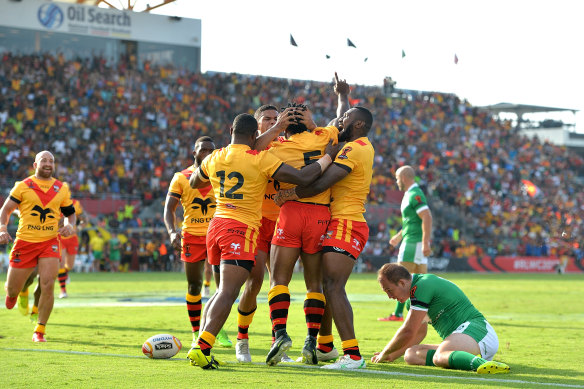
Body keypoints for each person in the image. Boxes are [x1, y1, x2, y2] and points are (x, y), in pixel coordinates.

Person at [187, 112, 334, 369]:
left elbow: (194, 180)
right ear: (255, 133)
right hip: (241, 228)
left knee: (224, 290)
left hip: (216, 224)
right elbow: (302, 177)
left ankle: (201, 343)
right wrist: (328, 157)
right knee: (229, 291)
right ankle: (203, 346)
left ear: (231, 129)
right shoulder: (261, 158)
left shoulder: (215, 156)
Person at [275, 104, 375, 370]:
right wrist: (341, 96)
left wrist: (290, 194)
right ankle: (326, 346)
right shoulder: (357, 145)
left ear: (358, 125)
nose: (340, 120)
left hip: (347, 222)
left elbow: (321, 183)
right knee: (327, 285)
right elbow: (329, 129)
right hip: (340, 220)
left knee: (332, 286)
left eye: (346, 118)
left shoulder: (354, 149)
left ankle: (352, 355)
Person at [371, 263, 510, 374]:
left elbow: (408, 330)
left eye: (389, 290)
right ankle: (463, 359)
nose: (390, 297)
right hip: (464, 338)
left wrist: (384, 352)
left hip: (478, 332)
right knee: (411, 354)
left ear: (402, 283)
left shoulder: (422, 285)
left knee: (440, 355)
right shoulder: (412, 299)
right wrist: (392, 355)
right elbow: (419, 333)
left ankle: (483, 364)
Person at [234, 105, 293, 363]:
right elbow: (254, 149)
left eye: (275, 118)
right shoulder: (251, 148)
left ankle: (276, 342)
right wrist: (277, 129)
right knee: (254, 281)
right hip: (256, 222)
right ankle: (242, 339)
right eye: (266, 118)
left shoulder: (284, 144)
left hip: (281, 222)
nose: (272, 121)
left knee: (279, 283)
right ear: (256, 124)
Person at [163, 136, 232, 351]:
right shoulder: (181, 177)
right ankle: (195, 332)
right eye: (203, 150)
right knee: (194, 286)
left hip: (218, 235)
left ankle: (215, 328)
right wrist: (172, 232)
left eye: (211, 150)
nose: (208, 153)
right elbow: (169, 209)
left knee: (223, 288)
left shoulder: (220, 176)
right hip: (192, 237)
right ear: (194, 152)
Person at [0, 150, 76, 342]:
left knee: (48, 284)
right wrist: (2, 229)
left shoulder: (62, 188)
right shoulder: (22, 186)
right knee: (12, 292)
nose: (48, 163)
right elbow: (6, 210)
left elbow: (70, 213)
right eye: (44, 160)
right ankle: (14, 294)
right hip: (24, 243)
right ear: (36, 165)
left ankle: (39, 330)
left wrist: (69, 225)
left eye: (51, 160)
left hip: (49, 243)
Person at [379, 165, 433, 322]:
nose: (396, 182)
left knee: (400, 278)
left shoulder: (415, 194)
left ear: (403, 178)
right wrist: (399, 235)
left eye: (397, 178)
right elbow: (412, 221)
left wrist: (425, 242)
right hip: (411, 240)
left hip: (413, 243)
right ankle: (424, 315)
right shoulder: (410, 194)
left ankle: (399, 314)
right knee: (419, 281)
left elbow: (427, 216)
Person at [56, 198, 86, 298]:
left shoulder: (76, 203)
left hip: (72, 238)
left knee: (70, 265)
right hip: (60, 237)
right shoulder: (54, 202)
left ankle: (65, 273)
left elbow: (84, 220)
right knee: (61, 264)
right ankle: (63, 291)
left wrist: (78, 228)